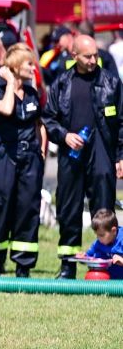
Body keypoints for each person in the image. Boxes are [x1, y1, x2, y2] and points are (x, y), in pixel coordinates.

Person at [43, 34, 123, 279]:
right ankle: (68, 266)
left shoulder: (111, 81)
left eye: (95, 56)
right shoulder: (62, 83)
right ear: (74, 56)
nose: (93, 60)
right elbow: (49, 118)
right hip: (72, 154)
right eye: (87, 56)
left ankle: (106, 263)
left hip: (102, 152)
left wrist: (120, 155)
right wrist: (65, 136)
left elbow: (121, 122)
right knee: (68, 208)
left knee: (103, 208)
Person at [0, 44, 46, 277]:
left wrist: (40, 150)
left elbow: (40, 124)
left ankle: (24, 265)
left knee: (28, 210)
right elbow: (7, 109)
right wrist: (10, 82)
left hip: (30, 158)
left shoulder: (32, 94)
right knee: (0, 208)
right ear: (15, 67)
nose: (33, 68)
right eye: (29, 63)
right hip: (5, 158)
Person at [82, 209, 123, 279]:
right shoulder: (99, 243)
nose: (98, 238)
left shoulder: (121, 240)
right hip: (108, 281)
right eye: (97, 235)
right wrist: (83, 256)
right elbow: (88, 256)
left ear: (113, 231)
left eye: (101, 235)